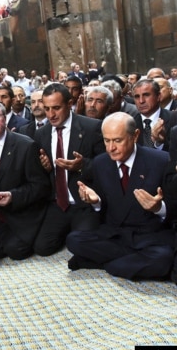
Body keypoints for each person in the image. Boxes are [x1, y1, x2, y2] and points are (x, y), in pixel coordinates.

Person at [67, 112, 175, 280]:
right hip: (115, 235)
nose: (111, 148)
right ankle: (127, 262)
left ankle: (103, 263)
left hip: (149, 236)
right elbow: (102, 209)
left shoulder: (160, 160)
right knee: (74, 240)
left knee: (163, 258)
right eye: (107, 140)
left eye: (117, 140)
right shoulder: (101, 162)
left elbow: (173, 208)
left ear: (135, 135)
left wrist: (158, 208)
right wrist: (96, 202)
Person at [33, 83, 104, 256]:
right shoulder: (41, 134)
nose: (51, 114)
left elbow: (106, 165)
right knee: (42, 249)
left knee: (81, 246)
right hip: (57, 204)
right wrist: (47, 168)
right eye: (47, 108)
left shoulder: (91, 127)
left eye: (56, 108)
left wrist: (83, 165)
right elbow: (38, 175)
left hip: (84, 203)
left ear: (69, 103)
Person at [0, 100, 50, 261]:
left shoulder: (26, 145)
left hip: (21, 213)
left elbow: (41, 186)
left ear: (5, 118)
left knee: (15, 250)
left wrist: (13, 196)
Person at [132, 79, 176, 151]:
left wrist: (160, 142)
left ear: (158, 96)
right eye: (137, 96)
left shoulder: (174, 119)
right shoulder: (129, 123)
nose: (141, 101)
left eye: (146, 95)